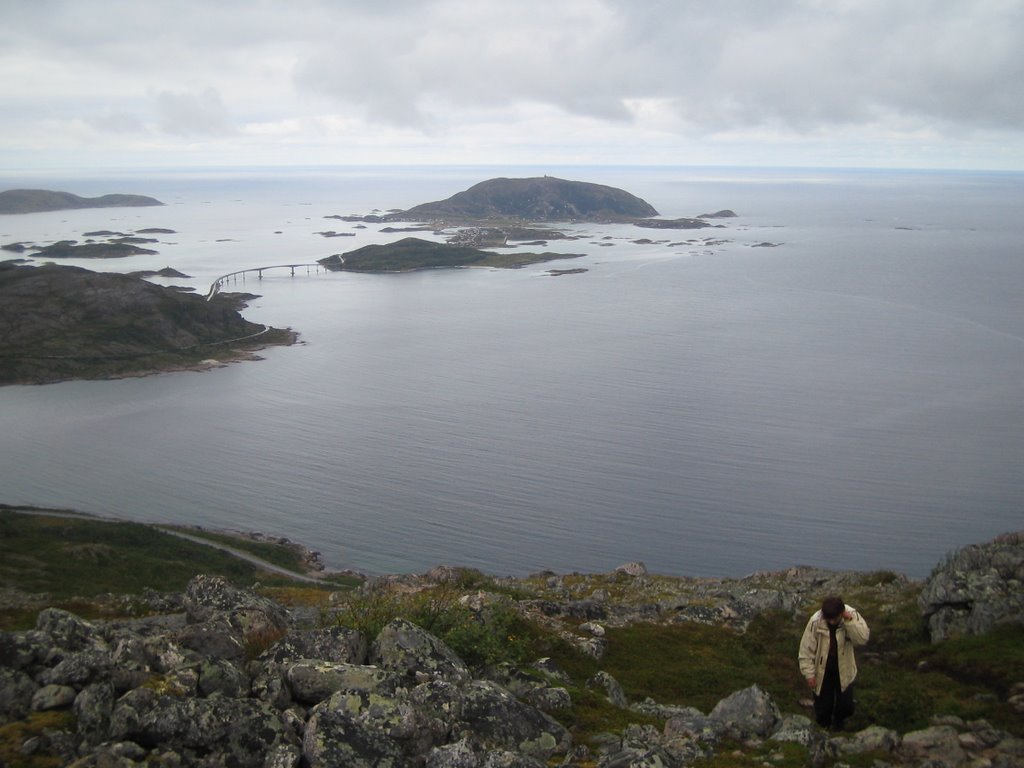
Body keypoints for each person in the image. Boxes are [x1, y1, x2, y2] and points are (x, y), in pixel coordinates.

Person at [798, 595, 870, 731]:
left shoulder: (852, 616)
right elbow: (806, 650)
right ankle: (823, 728)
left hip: (845, 669)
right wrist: (809, 674)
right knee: (823, 707)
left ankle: (838, 722)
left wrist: (849, 621)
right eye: (828, 619)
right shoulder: (815, 621)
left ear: (841, 613)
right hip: (822, 671)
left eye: (834, 618)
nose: (831, 622)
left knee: (846, 706)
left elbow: (862, 639)